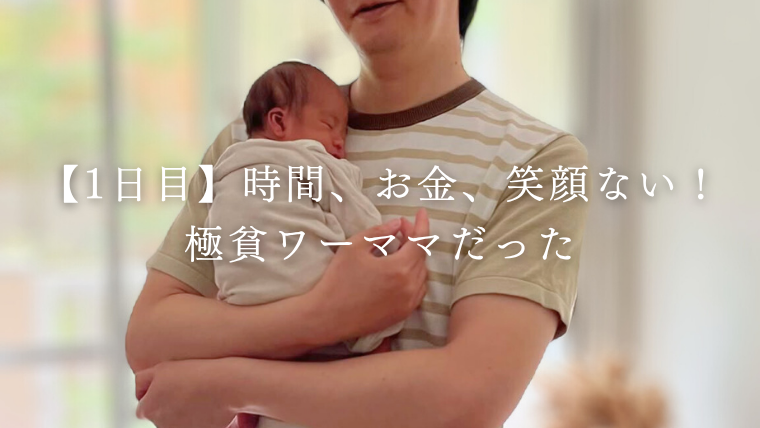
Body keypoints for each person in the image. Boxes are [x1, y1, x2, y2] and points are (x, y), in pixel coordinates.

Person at [127, 1, 591, 427]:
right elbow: (150, 340)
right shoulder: (254, 141)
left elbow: (468, 396)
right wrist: (323, 316)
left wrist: (230, 384)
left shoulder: (538, 161)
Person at [211, 60, 403, 360]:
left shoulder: (227, 169)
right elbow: (355, 213)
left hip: (240, 300)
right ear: (279, 122)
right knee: (376, 317)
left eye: (344, 134)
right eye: (328, 125)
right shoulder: (311, 158)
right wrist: (390, 246)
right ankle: (375, 347)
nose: (339, 142)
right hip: (305, 289)